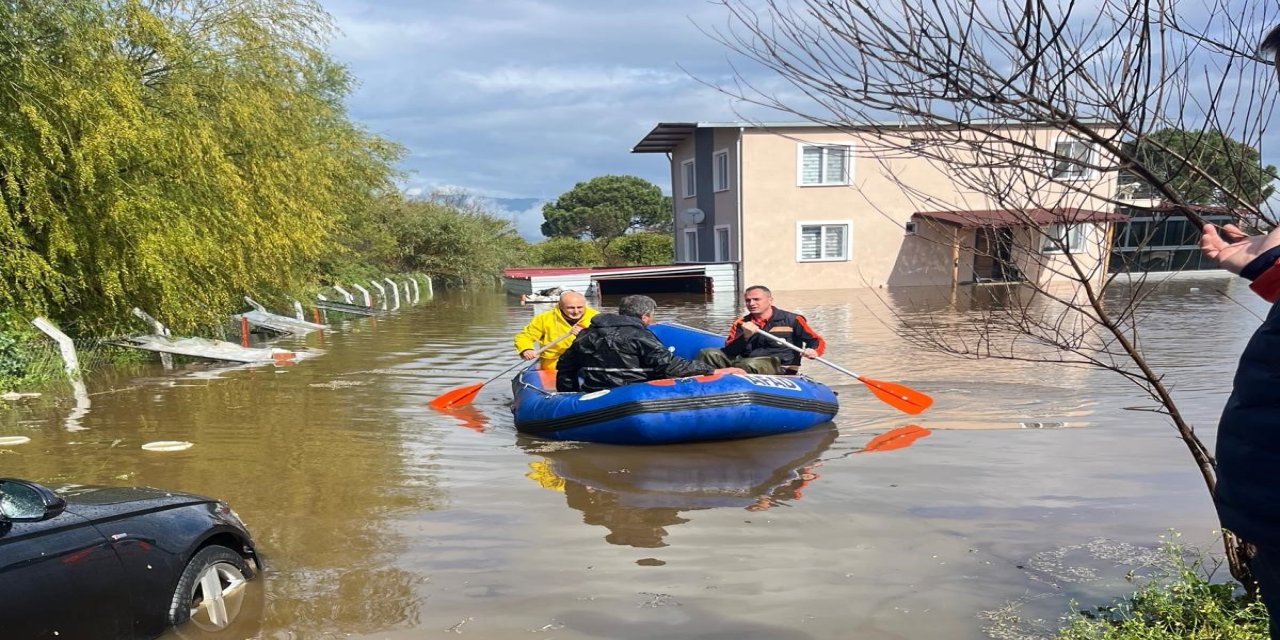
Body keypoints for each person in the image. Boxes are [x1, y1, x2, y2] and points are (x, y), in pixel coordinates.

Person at [556, 294, 715, 393]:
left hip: (595, 394)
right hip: (636, 393)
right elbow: (670, 366)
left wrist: (569, 398)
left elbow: (565, 368)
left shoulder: (586, 334)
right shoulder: (640, 336)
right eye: (651, 316)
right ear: (645, 316)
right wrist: (710, 369)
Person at [696, 285, 826, 374]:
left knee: (748, 364)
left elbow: (816, 340)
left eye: (756, 299)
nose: (751, 304)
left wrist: (813, 351)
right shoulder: (741, 322)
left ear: (770, 300)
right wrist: (745, 336)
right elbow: (729, 351)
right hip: (745, 362)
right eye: (748, 300)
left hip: (779, 366)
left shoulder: (793, 319)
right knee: (708, 353)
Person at [513, 290, 597, 370]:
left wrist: (585, 335)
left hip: (587, 362)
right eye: (570, 308)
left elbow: (607, 339)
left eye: (580, 307)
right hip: (554, 364)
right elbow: (524, 336)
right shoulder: (544, 318)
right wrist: (526, 349)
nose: (576, 311)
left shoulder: (596, 317)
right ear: (560, 306)